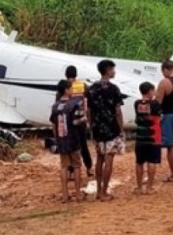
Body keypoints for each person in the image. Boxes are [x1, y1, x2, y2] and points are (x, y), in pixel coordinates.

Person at [86, 59, 125, 201]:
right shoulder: (114, 89)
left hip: (97, 128)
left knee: (99, 158)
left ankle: (98, 191)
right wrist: (121, 128)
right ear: (108, 70)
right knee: (109, 159)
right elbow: (117, 111)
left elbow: (88, 111)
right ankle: (104, 192)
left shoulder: (91, 89)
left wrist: (91, 126)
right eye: (113, 69)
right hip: (111, 128)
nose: (114, 72)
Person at [50, 80, 85, 203]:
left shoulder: (55, 106)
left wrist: (57, 138)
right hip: (73, 138)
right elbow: (76, 121)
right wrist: (84, 119)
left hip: (61, 139)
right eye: (70, 88)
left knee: (64, 166)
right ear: (66, 90)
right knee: (76, 166)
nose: (72, 90)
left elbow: (53, 124)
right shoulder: (73, 105)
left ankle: (65, 195)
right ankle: (78, 194)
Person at [62, 66, 93, 178]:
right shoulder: (83, 85)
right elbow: (89, 102)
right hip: (81, 119)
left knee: (71, 146)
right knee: (83, 145)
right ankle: (89, 168)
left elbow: (59, 102)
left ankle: (71, 172)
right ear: (76, 74)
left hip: (68, 122)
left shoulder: (63, 86)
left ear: (66, 74)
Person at [133, 82, 162, 195]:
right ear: (149, 91)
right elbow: (159, 118)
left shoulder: (137, 103)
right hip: (153, 136)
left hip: (140, 136)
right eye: (153, 90)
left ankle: (139, 187)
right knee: (152, 161)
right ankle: (149, 187)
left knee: (139, 162)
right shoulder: (155, 104)